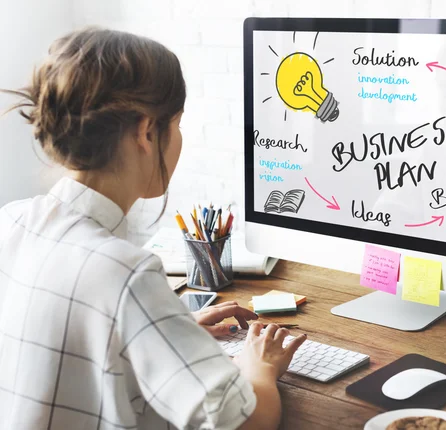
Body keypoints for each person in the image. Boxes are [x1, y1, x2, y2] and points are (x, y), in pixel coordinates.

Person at [0, 27, 306, 430]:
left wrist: (165, 329)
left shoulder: (11, 221)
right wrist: (258, 366)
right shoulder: (126, 273)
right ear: (146, 132)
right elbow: (247, 421)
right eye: (176, 124)